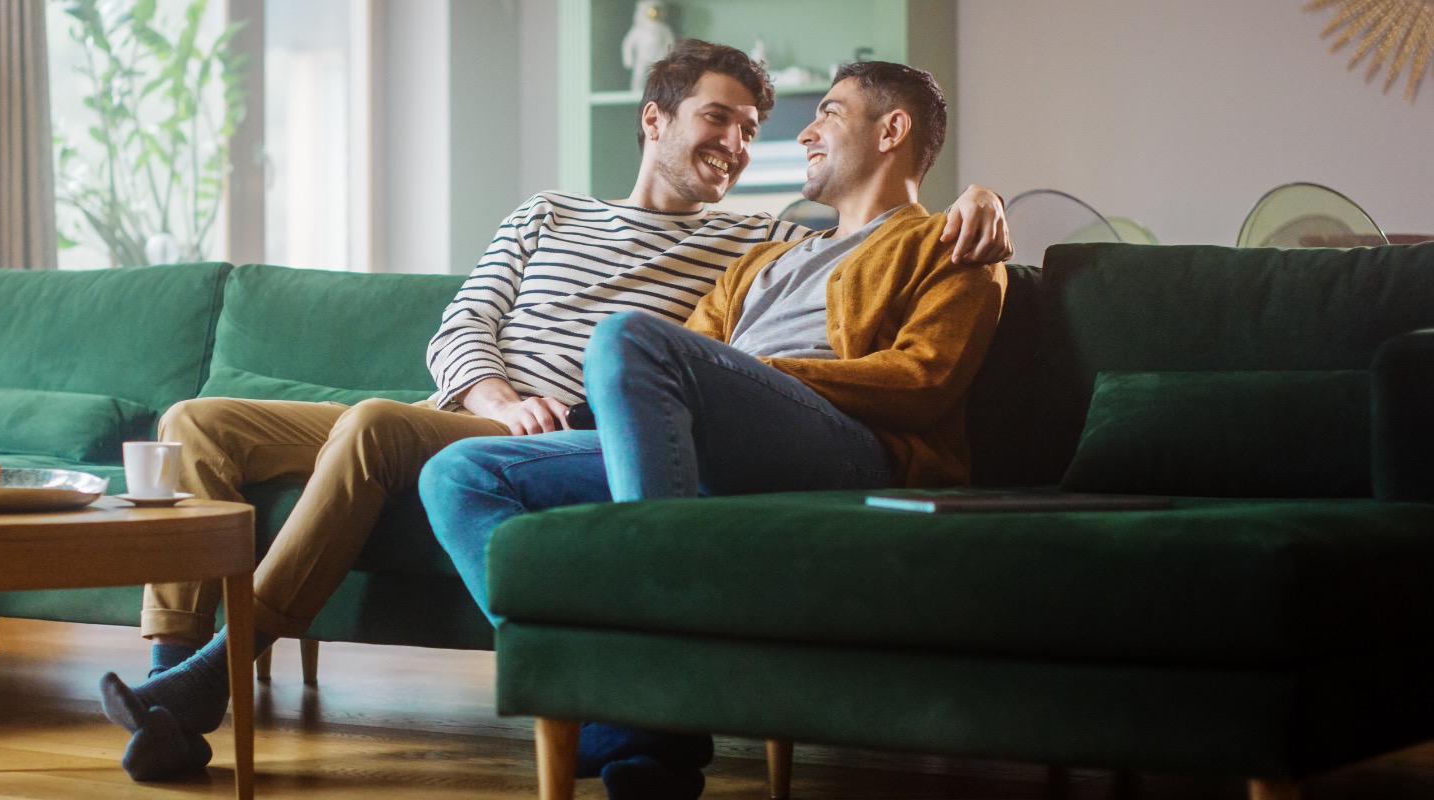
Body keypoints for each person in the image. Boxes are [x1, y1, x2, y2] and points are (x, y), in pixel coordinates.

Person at [98, 41, 1014, 780]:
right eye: (718, 119)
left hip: (639, 419)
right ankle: (169, 686)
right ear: (652, 120)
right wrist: (493, 392)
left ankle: (217, 677)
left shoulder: (764, 229)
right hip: (481, 409)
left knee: (411, 415)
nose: (744, 144)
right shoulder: (568, 217)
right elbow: (465, 322)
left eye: (756, 128)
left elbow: (897, 319)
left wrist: (981, 193)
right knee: (199, 422)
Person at [418, 61, 1007, 799]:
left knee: (628, 336)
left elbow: (923, 383)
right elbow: (683, 367)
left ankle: (652, 696)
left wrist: (983, 195)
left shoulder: (951, 244)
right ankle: (630, 715)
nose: (805, 132)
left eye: (828, 112)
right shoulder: (763, 258)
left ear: (893, 130)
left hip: (850, 450)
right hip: (708, 445)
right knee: (460, 473)